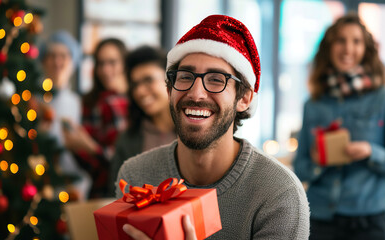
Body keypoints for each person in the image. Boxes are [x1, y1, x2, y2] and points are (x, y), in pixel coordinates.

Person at [116, 15, 310, 239]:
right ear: (169, 89)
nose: (196, 94)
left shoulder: (278, 193)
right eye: (185, 76)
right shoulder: (135, 177)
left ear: (245, 98)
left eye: (217, 79)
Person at [293, 13, 385, 240]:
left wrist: (371, 152)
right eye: (340, 40)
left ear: (366, 49)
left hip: (368, 221)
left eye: (356, 41)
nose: (348, 48)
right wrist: (317, 163)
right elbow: (301, 169)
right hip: (320, 218)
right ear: (329, 47)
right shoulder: (313, 104)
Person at [63, 38, 129, 198]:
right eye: (100, 63)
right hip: (101, 192)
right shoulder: (90, 103)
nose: (105, 70)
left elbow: (128, 159)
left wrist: (92, 148)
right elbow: (91, 167)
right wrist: (77, 147)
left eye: (112, 62)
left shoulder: (135, 101)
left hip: (134, 190)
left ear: (125, 64)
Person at [108, 46, 176, 196]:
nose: (139, 91)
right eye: (135, 84)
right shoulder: (127, 140)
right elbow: (116, 196)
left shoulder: (193, 132)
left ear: (170, 80)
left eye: (148, 80)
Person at [39, 30, 91, 199]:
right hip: (38, 182)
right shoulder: (31, 101)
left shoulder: (80, 103)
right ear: (43, 61)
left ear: (73, 62)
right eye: (51, 55)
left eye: (63, 56)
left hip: (73, 184)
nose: (57, 61)